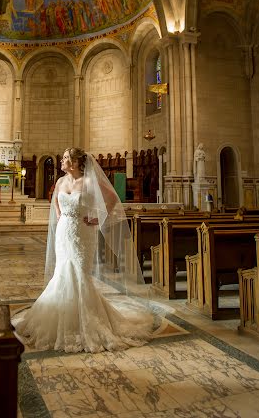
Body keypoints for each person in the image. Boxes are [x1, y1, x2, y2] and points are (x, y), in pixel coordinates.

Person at [11, 147, 165, 353]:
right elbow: (56, 200)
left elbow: (112, 199)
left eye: (65, 158)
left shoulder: (90, 181)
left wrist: (96, 219)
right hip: (64, 232)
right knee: (62, 272)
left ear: (75, 162)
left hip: (83, 233)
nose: (62, 161)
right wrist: (60, 215)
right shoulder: (60, 181)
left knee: (79, 273)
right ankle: (62, 314)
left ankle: (85, 320)